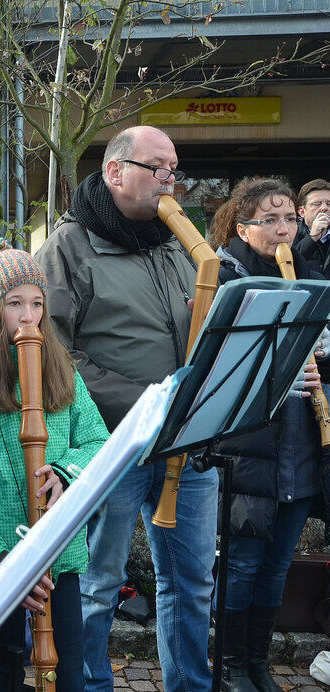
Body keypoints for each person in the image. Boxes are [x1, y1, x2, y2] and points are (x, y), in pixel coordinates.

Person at [35, 125, 219, 692]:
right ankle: (88, 685)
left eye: (175, 170)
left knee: (191, 582)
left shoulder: (175, 243)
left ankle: (188, 684)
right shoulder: (67, 246)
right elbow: (53, 352)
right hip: (114, 442)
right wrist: (147, 403)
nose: (172, 182)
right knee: (98, 583)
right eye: (158, 168)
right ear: (116, 172)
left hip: (186, 440)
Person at [0, 239, 109, 692]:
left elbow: (96, 441)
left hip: (60, 553)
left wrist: (67, 472)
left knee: (68, 668)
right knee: (2, 669)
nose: (29, 316)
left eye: (36, 303)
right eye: (15, 304)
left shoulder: (62, 372)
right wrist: (1, 567)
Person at [209, 177, 330, 692]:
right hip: (249, 445)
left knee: (278, 562)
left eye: (290, 220)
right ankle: (231, 664)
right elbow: (214, 364)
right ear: (243, 227)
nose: (283, 231)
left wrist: (321, 364)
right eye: (270, 221)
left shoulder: (310, 275)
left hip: (299, 440)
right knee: (241, 561)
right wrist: (279, 370)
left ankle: (257, 662)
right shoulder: (224, 276)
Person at [293, 178, 330, 272]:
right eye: (317, 204)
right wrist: (312, 238)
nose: (324, 208)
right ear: (302, 212)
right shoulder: (290, 232)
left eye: (329, 204)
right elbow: (289, 263)